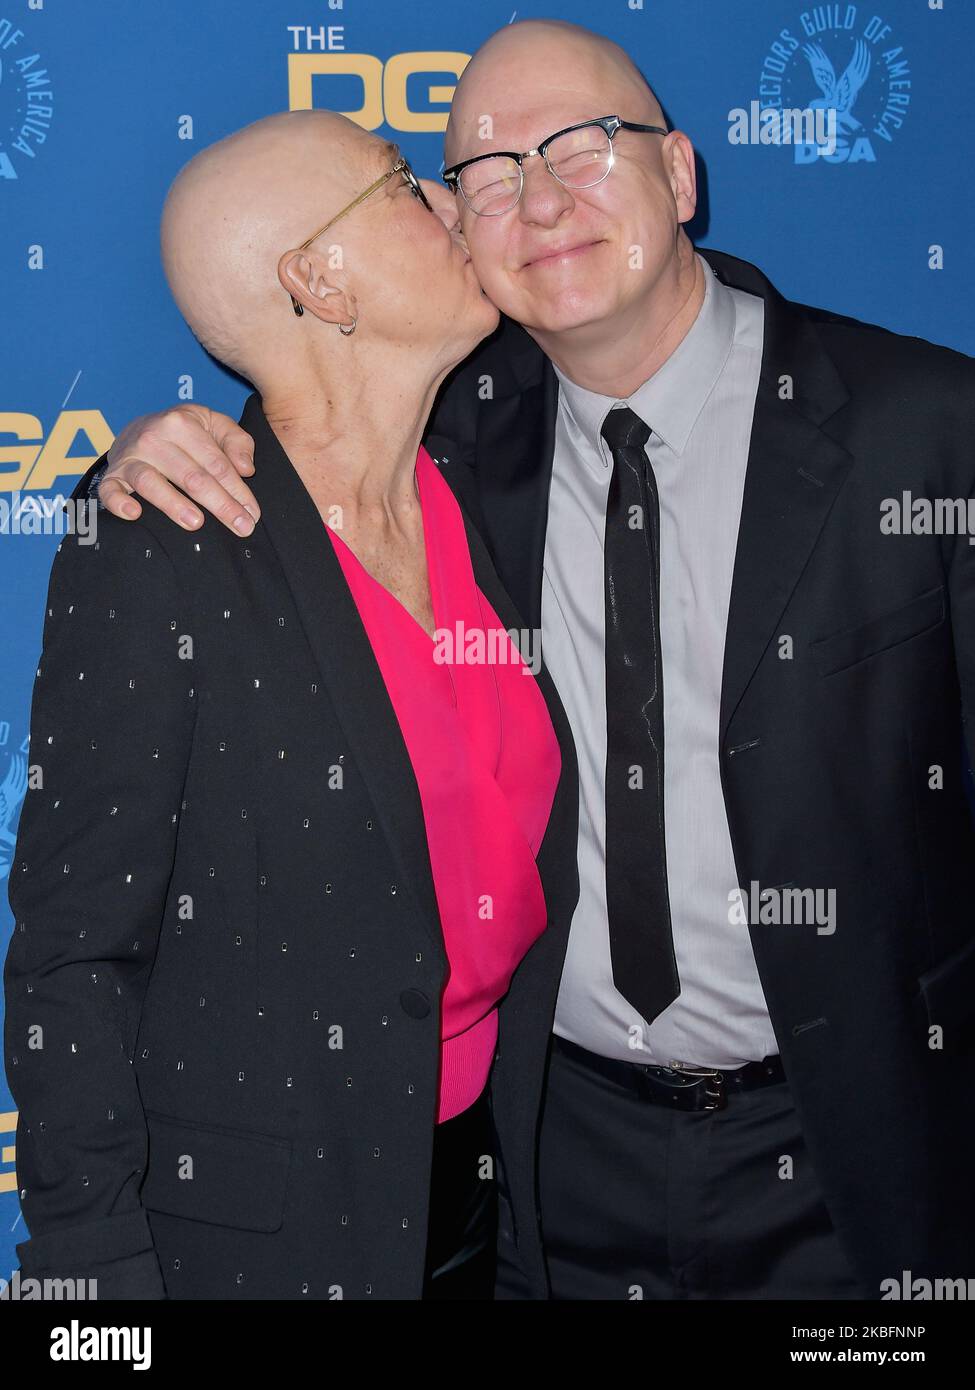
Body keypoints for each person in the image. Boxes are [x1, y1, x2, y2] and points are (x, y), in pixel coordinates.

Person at [87, 19, 975, 1300]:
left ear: (679, 174)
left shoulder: (924, 432)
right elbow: (285, 438)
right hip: (546, 1168)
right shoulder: (452, 432)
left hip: (858, 1160)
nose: (538, 198)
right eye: (485, 174)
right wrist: (115, 472)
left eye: (582, 147)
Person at [3, 107, 580, 1300]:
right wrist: (88, 1293)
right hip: (262, 1235)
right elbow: (74, 952)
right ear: (320, 278)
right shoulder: (169, 543)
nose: (453, 200)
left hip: (505, 1186)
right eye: (404, 186)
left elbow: (675, 314)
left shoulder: (494, 475)